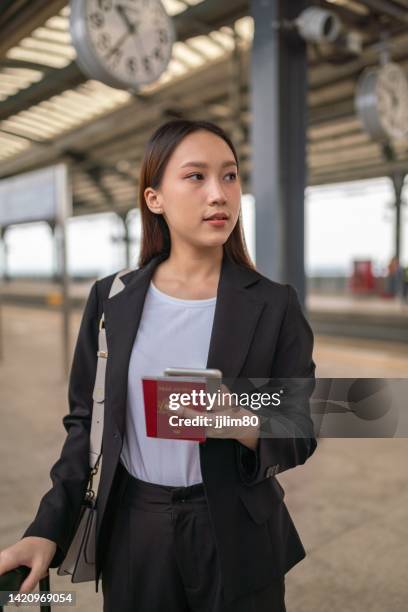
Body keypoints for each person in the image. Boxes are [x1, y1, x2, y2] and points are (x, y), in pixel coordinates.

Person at [0, 119, 317, 611]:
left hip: (238, 531)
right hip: (135, 530)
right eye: (196, 177)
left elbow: (301, 425)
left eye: (230, 176)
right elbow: (86, 424)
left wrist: (241, 422)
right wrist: (48, 529)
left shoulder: (274, 305)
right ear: (154, 199)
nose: (219, 194)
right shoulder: (112, 299)